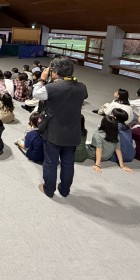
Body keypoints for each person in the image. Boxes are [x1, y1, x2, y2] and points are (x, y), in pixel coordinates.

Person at [32, 57, 88, 198]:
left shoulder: (52, 88)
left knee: (50, 162)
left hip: (54, 131)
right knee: (68, 163)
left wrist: (42, 79)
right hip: (73, 131)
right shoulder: (82, 87)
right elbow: (83, 95)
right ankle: (64, 190)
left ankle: (49, 189)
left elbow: (36, 93)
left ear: (55, 72)